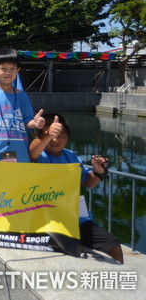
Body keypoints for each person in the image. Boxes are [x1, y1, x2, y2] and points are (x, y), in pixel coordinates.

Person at [29, 113, 123, 264]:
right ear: (40, 136)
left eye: (61, 135)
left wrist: (99, 172)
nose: (55, 139)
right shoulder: (38, 155)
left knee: (114, 246)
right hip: (48, 221)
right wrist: (47, 134)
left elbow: (88, 182)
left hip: (77, 219)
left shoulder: (71, 156)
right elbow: (32, 151)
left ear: (67, 137)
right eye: (49, 134)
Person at [0, 48, 45, 163]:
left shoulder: (22, 96)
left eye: (12, 69)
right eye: (3, 68)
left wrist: (35, 123)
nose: (8, 72)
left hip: (20, 154)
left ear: (18, 70)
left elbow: (28, 122)